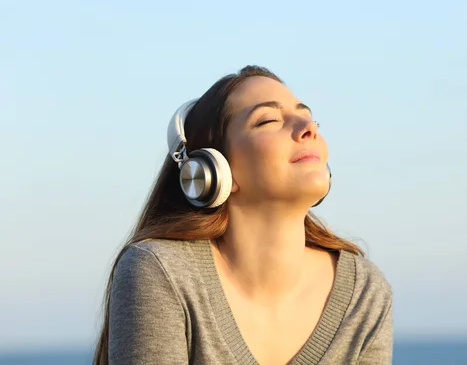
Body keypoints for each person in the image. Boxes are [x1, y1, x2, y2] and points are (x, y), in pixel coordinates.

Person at [93, 65, 393, 365]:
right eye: (269, 120)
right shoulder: (161, 272)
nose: (308, 128)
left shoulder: (363, 292)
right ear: (211, 171)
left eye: (307, 116)